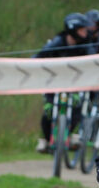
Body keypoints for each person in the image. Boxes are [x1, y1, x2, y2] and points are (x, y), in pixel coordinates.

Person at [33, 12, 93, 153]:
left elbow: (95, 59)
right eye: (82, 29)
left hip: (76, 84)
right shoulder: (57, 42)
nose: (86, 32)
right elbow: (38, 56)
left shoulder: (87, 44)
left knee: (78, 106)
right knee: (48, 109)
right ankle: (46, 139)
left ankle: (70, 134)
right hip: (54, 83)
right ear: (73, 29)